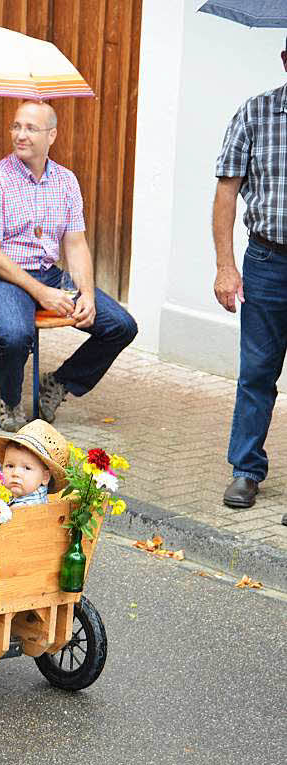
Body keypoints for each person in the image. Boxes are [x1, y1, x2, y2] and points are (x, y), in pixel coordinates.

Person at [0, 100, 138, 432]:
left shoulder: (66, 181)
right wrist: (41, 292)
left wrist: (86, 293)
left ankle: (59, 382)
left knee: (120, 325)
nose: (20, 134)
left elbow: (75, 244)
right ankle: (12, 400)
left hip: (47, 272)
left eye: (31, 128)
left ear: (52, 135)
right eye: (16, 126)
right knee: (16, 334)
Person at [212, 40, 287, 510]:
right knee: (257, 372)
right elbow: (226, 192)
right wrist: (225, 266)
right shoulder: (255, 114)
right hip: (267, 263)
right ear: (285, 59)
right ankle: (245, 469)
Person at [0, 419, 68, 507]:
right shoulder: (28, 495)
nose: (15, 473)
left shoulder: (21, 508)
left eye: (27, 468)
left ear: (45, 477)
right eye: (10, 466)